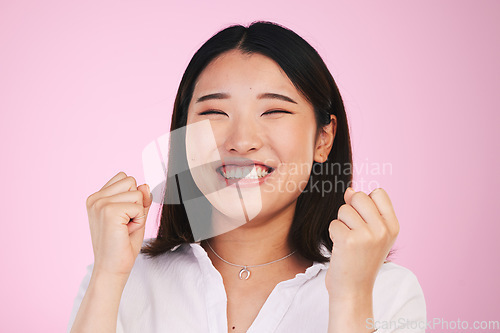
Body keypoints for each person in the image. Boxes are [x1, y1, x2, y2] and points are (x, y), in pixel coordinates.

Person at [67, 21, 426, 333]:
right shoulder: (119, 279)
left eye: (273, 111)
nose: (241, 142)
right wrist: (109, 276)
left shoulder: (385, 292)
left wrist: (351, 295)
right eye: (213, 112)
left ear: (323, 139)